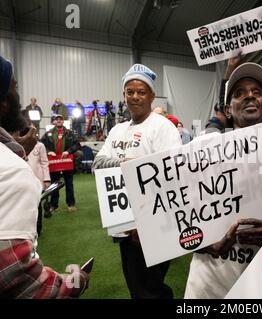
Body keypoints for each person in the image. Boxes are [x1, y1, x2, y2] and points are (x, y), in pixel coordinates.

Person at [0, 54, 89, 298]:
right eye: (15, 86)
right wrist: (73, 281)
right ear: (4, 102)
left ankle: (67, 203)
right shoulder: (11, 171)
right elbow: (13, 274)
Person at [92, 63, 181, 299]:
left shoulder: (163, 128)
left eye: (141, 92)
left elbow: (171, 173)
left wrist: (148, 223)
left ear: (152, 95)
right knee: (137, 285)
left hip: (152, 224)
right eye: (129, 92)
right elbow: (97, 165)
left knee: (147, 289)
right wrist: (130, 164)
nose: (135, 97)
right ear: (124, 96)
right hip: (123, 222)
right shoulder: (117, 130)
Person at [184, 62, 262, 299]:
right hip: (208, 284)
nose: (249, 96)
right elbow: (175, 217)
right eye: (239, 93)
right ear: (228, 110)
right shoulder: (201, 150)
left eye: (256, 92)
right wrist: (201, 243)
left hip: (261, 284)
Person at [41, 114, 80, 213]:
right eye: (56, 119)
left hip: (67, 161)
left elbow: (77, 144)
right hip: (54, 162)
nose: (58, 121)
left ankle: (71, 204)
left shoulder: (70, 133)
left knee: (69, 184)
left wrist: (68, 151)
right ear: (53, 121)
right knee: (54, 185)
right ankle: (53, 205)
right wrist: (48, 151)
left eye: (60, 119)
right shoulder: (48, 133)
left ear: (63, 121)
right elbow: (41, 144)